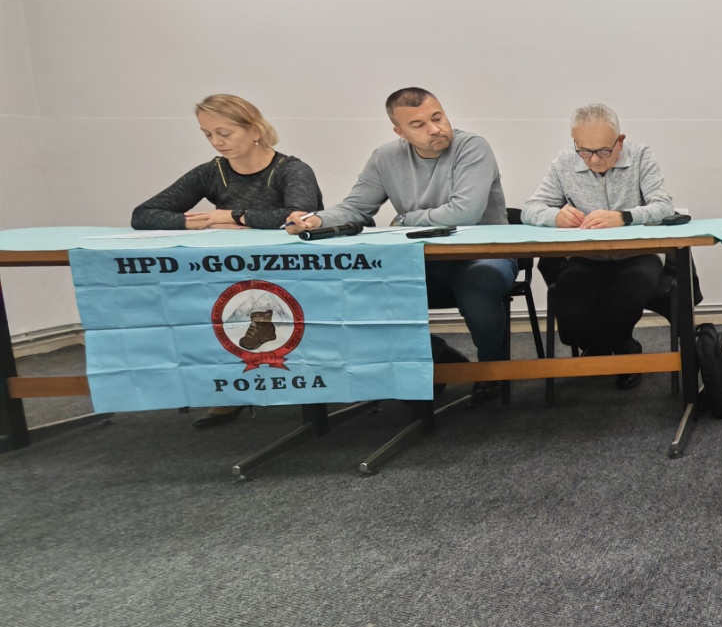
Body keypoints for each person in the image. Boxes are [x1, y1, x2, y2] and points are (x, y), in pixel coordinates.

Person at [284, 87, 514, 402]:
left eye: (438, 117)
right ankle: (439, 355)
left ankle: (493, 370)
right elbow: (355, 208)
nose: (435, 129)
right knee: (358, 290)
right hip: (419, 259)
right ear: (400, 132)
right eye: (418, 125)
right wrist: (315, 220)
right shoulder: (385, 157)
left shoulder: (472, 147)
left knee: (478, 287)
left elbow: (465, 213)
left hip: (482, 255)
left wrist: (406, 219)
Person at [133, 94, 325, 428]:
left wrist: (233, 215)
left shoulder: (292, 170)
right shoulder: (213, 171)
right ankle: (228, 388)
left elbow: (299, 215)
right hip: (231, 272)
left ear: (255, 130)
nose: (216, 142)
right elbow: (143, 214)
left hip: (291, 270)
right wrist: (196, 222)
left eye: (224, 133)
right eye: (208, 134)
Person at [520, 104, 675, 390]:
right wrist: (555, 216)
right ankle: (612, 345)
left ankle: (621, 352)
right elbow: (530, 209)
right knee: (570, 307)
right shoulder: (564, 162)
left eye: (604, 151)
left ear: (620, 141)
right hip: (586, 258)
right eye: (584, 151)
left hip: (637, 255)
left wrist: (625, 217)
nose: (593, 160)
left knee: (624, 298)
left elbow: (664, 207)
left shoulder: (640, 156)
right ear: (574, 142)